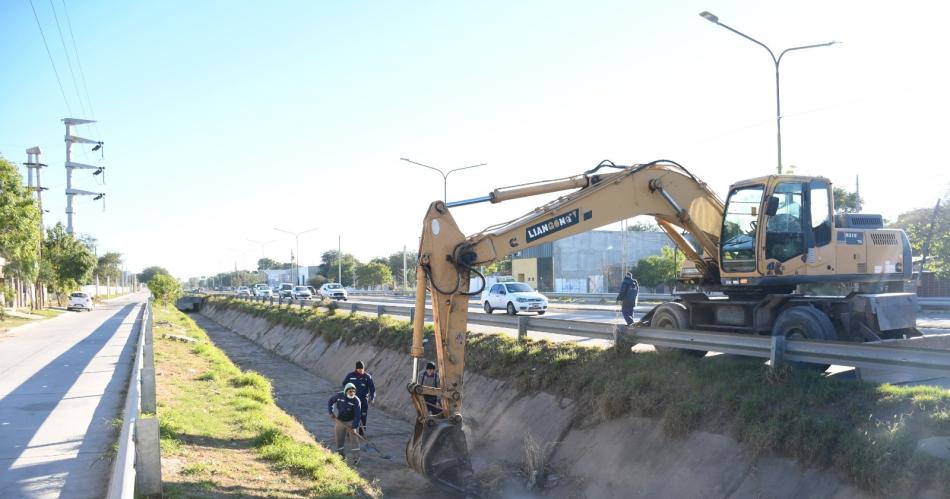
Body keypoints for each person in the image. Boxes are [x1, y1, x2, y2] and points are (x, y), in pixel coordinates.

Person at [327, 382, 361, 464]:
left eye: (353, 391)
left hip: (351, 422)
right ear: (346, 391)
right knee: (339, 440)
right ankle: (341, 456)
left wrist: (354, 427)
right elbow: (330, 401)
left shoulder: (356, 400)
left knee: (354, 440)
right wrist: (331, 412)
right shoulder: (339, 396)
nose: (352, 393)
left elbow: (357, 415)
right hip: (340, 421)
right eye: (350, 391)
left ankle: (356, 458)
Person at [342, 361, 375, 436]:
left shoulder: (367, 377)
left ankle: (362, 433)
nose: (361, 370)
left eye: (362, 369)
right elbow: (344, 385)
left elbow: (372, 389)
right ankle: (349, 432)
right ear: (356, 369)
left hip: (363, 401)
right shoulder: (350, 376)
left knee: (363, 416)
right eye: (359, 369)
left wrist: (372, 398)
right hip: (352, 400)